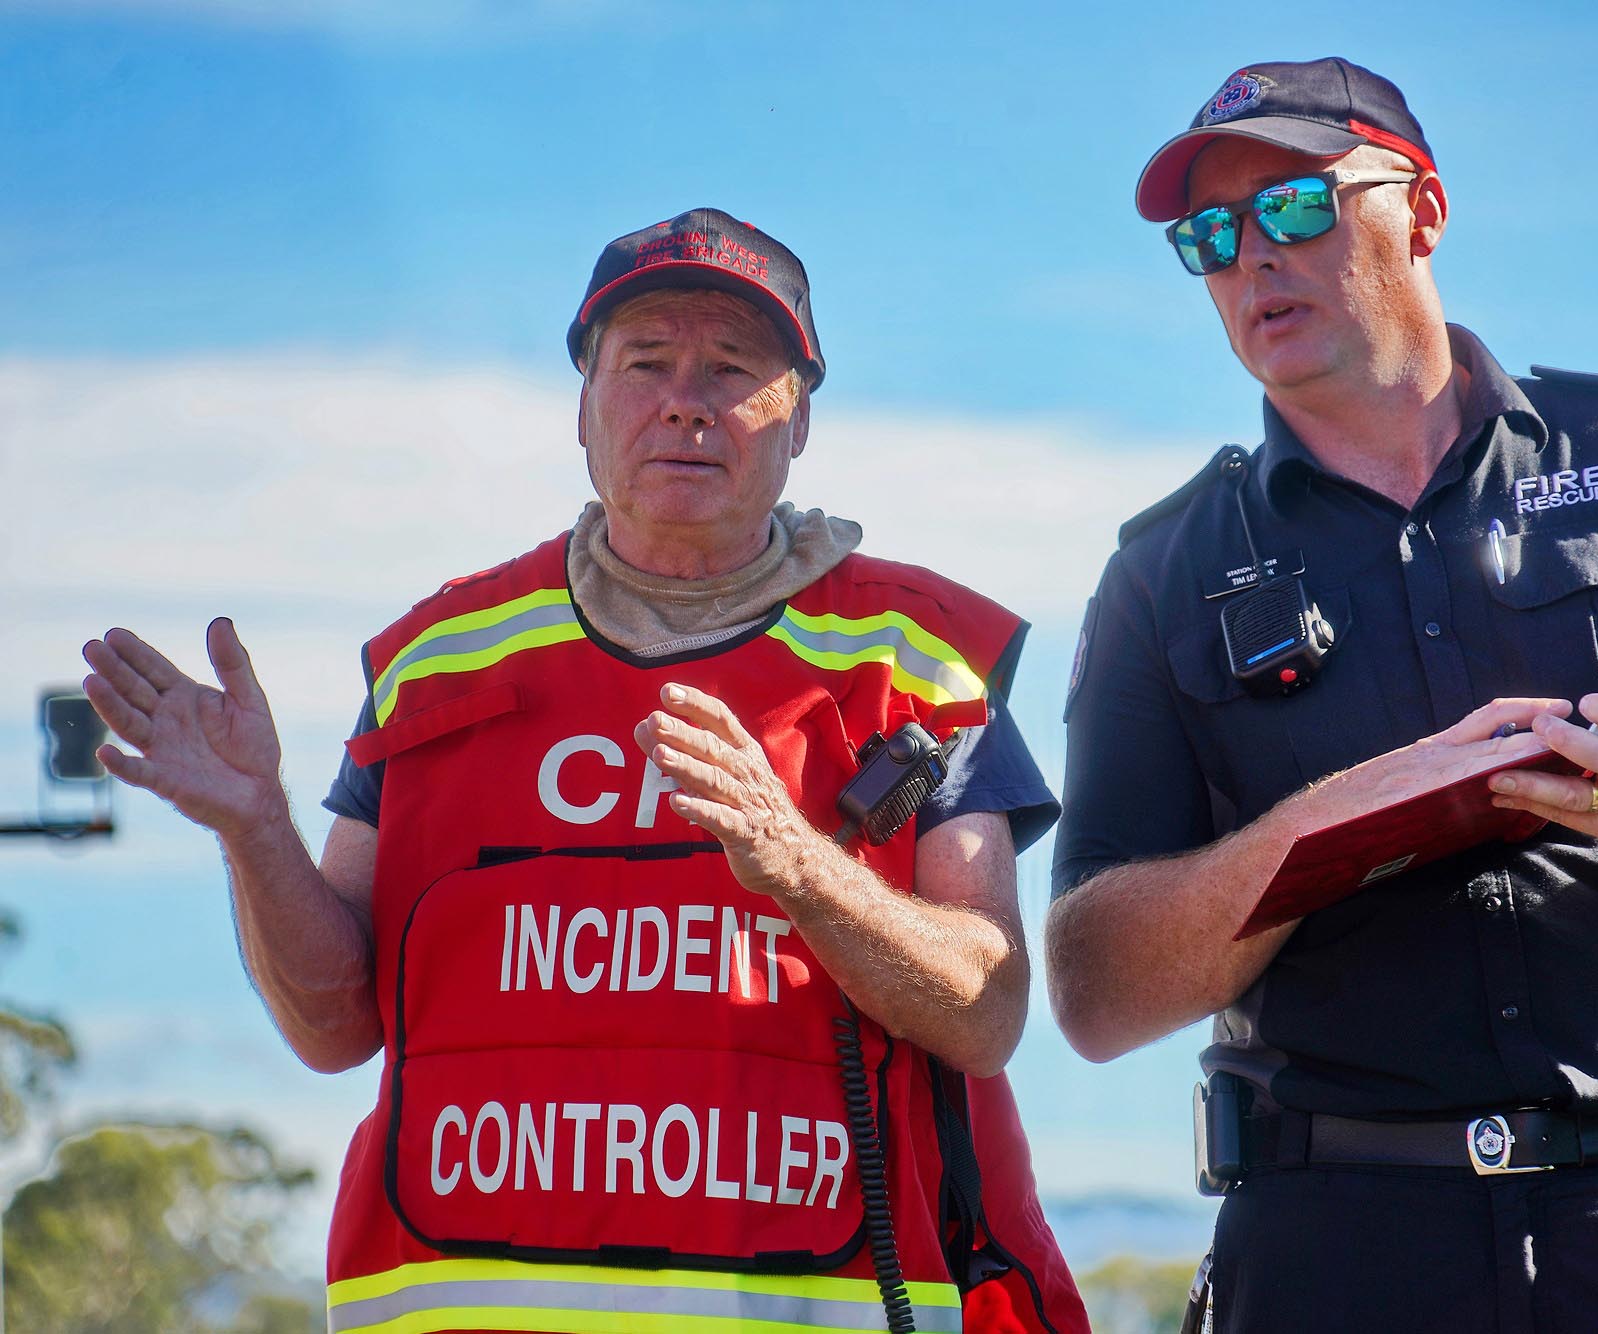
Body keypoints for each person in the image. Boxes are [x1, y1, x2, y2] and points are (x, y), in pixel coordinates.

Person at [82, 208, 1088, 1334]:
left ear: (797, 417)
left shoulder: (919, 656)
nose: (686, 400)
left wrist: (796, 861)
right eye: (645, 363)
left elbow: (984, 1010)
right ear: (581, 406)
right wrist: (254, 826)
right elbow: (332, 1027)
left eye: (734, 368)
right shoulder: (436, 658)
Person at [1047, 57, 1598, 1333]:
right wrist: (1319, 830)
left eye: (1292, 206)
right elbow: (1094, 989)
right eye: (1210, 237)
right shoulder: (1158, 571)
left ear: (1422, 210)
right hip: (1332, 1246)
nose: (1249, 259)